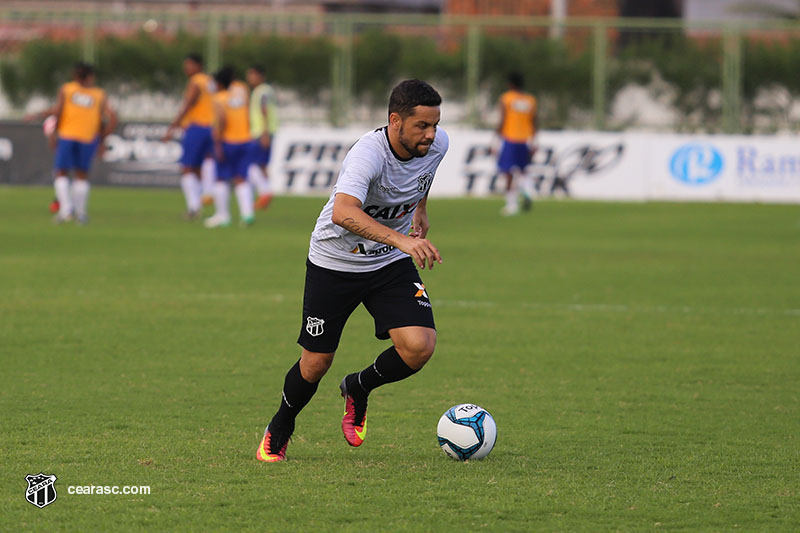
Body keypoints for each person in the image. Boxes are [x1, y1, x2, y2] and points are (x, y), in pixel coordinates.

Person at [256, 79, 447, 462]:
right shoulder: (368, 155)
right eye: (421, 126)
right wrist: (403, 240)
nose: (431, 135)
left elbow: (423, 176)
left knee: (418, 347)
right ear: (395, 121)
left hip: (388, 262)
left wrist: (420, 209)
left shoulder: (437, 145)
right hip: (334, 262)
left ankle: (358, 387)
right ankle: (280, 426)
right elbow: (344, 213)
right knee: (316, 363)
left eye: (435, 125)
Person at [31, 62, 117, 224]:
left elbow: (58, 111)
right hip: (88, 138)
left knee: (61, 173)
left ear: (76, 75)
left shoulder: (67, 90)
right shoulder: (99, 94)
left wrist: (44, 122)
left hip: (67, 136)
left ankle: (66, 211)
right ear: (91, 76)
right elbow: (112, 117)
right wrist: (102, 138)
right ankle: (81, 213)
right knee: (81, 175)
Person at [162, 53, 217, 219]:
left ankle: (194, 207)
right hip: (212, 127)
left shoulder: (196, 81)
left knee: (187, 168)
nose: (186, 68)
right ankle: (206, 194)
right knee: (202, 165)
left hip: (197, 127)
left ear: (198, 65)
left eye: (189, 65)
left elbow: (188, 104)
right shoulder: (211, 81)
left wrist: (172, 127)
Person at [205, 66, 255, 228]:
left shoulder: (219, 98)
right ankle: (247, 215)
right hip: (246, 139)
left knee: (221, 178)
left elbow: (221, 120)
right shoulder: (242, 90)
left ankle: (223, 216)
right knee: (241, 177)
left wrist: (217, 142)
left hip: (228, 141)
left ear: (219, 83)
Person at [496, 72, 537, 216]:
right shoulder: (529, 100)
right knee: (523, 170)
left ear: (510, 84)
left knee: (508, 172)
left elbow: (502, 119)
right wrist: (534, 141)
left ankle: (511, 205)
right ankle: (528, 190)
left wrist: (494, 138)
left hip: (510, 138)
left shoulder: (506, 98)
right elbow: (534, 121)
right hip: (525, 139)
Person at [245, 65, 279, 210]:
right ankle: (264, 193)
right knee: (262, 164)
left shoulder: (262, 91)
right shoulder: (266, 90)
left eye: (252, 75)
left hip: (261, 132)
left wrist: (264, 133)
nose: (249, 78)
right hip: (263, 132)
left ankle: (265, 191)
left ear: (259, 75)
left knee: (251, 163)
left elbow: (264, 110)